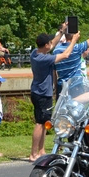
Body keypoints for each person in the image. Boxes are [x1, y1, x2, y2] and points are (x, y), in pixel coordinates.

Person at [29, 23, 79, 161]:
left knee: (45, 122)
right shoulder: (44, 59)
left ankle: (41, 150)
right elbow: (66, 54)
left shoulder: (35, 53)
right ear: (45, 45)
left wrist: (61, 32)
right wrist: (74, 40)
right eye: (49, 42)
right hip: (42, 94)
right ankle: (33, 154)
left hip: (39, 92)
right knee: (40, 123)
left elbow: (52, 45)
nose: (51, 44)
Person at [53, 12, 89, 95]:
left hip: (61, 87)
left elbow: (54, 71)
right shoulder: (77, 48)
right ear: (75, 34)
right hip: (75, 86)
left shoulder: (56, 50)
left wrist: (55, 86)